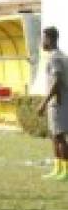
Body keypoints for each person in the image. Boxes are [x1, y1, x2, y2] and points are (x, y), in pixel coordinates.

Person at [37, 26, 67, 180]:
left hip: (58, 103)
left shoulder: (55, 57)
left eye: (43, 38)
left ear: (49, 39)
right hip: (55, 103)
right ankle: (58, 168)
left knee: (60, 137)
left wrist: (44, 102)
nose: (41, 42)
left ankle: (65, 171)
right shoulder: (55, 56)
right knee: (55, 137)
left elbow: (56, 81)